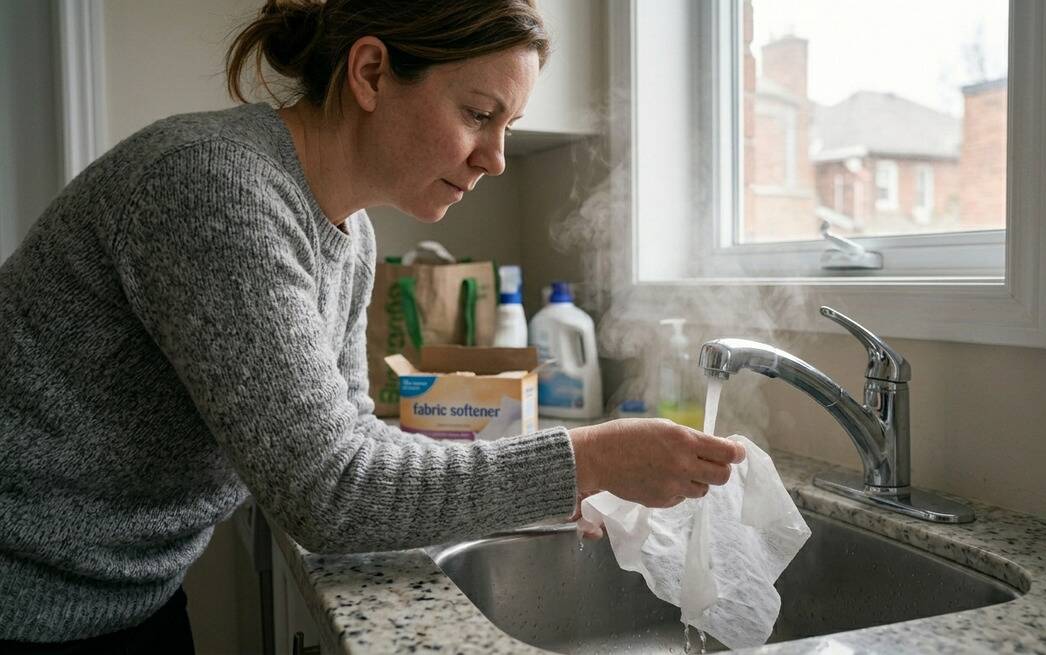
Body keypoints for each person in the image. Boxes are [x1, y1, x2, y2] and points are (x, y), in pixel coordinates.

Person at [0, 1, 745, 652]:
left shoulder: (349, 237)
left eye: (508, 126)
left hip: (127, 597)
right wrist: (586, 460)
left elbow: (353, 434)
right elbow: (330, 489)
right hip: (24, 604)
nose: (495, 158)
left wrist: (552, 486)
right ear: (370, 72)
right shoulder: (213, 188)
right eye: (479, 115)